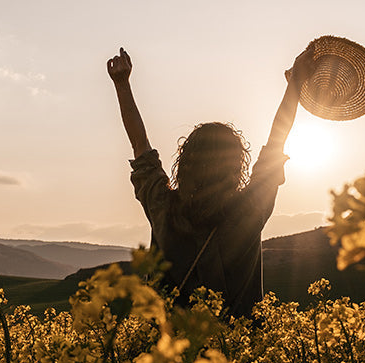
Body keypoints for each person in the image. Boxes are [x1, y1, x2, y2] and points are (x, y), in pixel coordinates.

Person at [107, 46, 313, 318]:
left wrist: (122, 84)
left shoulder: (163, 207)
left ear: (184, 162)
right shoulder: (249, 209)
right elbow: (277, 139)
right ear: (236, 166)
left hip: (168, 354)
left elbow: (139, 145)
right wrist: (295, 84)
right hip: (239, 356)